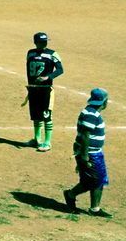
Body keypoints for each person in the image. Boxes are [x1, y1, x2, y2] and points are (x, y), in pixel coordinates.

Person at [64, 88, 112, 217]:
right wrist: (84, 157)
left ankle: (95, 208)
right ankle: (70, 194)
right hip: (89, 154)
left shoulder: (93, 112)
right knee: (92, 181)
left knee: (99, 179)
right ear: (104, 102)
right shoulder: (91, 114)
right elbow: (85, 136)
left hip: (95, 152)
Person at [26, 32, 64, 151]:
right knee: (36, 115)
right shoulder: (30, 53)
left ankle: (47, 142)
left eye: (45, 41)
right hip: (33, 89)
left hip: (46, 90)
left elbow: (60, 70)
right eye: (41, 42)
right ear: (35, 42)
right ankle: (37, 140)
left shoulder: (52, 54)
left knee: (46, 115)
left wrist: (48, 77)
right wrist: (30, 85)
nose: (44, 43)